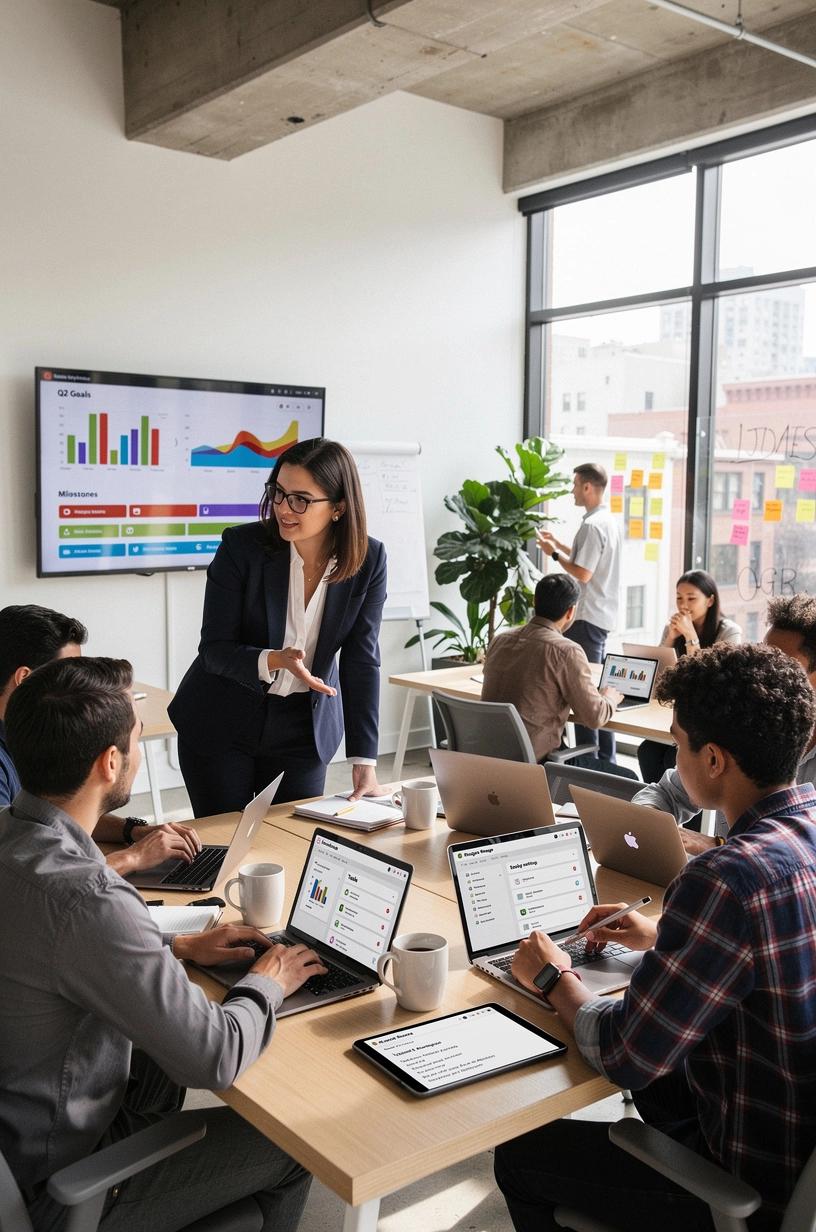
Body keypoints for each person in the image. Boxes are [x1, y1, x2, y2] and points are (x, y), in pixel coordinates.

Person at [493, 642, 816, 1232]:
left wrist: (552, 976)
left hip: (754, 1180)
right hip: (798, 1136)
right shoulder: (802, 836)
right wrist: (666, 936)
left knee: (518, 1156)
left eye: (677, 741)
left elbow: (625, 1055)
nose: (673, 755)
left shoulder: (726, 878)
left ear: (713, 759)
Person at [0, 655, 326, 1232]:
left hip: (22, 1121)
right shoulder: (91, 898)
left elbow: (48, 952)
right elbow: (216, 1058)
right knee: (300, 1146)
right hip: (56, 1184)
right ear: (109, 763)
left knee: (158, 1059)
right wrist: (267, 981)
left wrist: (175, 950)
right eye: (137, 738)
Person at [169, 437, 387, 816]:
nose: (284, 508)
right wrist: (274, 660)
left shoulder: (369, 560)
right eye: (279, 493)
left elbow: (362, 659)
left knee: (292, 842)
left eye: (301, 499)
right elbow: (215, 650)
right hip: (224, 719)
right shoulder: (242, 547)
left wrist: (364, 757)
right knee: (224, 846)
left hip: (304, 729)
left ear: (338, 507)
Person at [0, 604, 201, 876]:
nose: (80, 686)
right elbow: (21, 868)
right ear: (25, 679)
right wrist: (131, 858)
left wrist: (132, 830)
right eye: (67, 674)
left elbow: (57, 815)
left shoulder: (30, 733)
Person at [635, 591, 816, 854]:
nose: (767, 673)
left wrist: (718, 845)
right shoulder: (750, 724)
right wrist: (649, 826)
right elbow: (666, 793)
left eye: (785, 665)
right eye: (763, 656)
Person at [481, 574, 624, 762]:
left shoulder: (500, 640)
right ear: (571, 612)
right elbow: (594, 717)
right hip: (535, 764)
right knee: (629, 778)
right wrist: (609, 698)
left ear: (535, 601)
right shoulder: (566, 651)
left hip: (487, 757)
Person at [536, 463, 621, 763]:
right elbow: (587, 559)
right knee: (595, 688)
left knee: (585, 693)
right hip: (599, 615)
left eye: (575, 485)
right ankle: (605, 760)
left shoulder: (592, 525)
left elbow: (583, 573)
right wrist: (558, 544)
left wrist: (554, 554)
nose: (572, 490)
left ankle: (593, 764)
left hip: (586, 616)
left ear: (588, 487)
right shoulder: (605, 521)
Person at [637, 570, 742, 782]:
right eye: (679, 597)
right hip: (679, 711)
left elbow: (708, 680)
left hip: (711, 715)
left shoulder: (729, 632)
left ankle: (685, 813)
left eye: (691, 598)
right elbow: (657, 677)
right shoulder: (673, 627)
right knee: (647, 752)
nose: (684, 605)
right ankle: (660, 811)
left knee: (671, 759)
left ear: (710, 600)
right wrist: (670, 639)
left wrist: (690, 637)